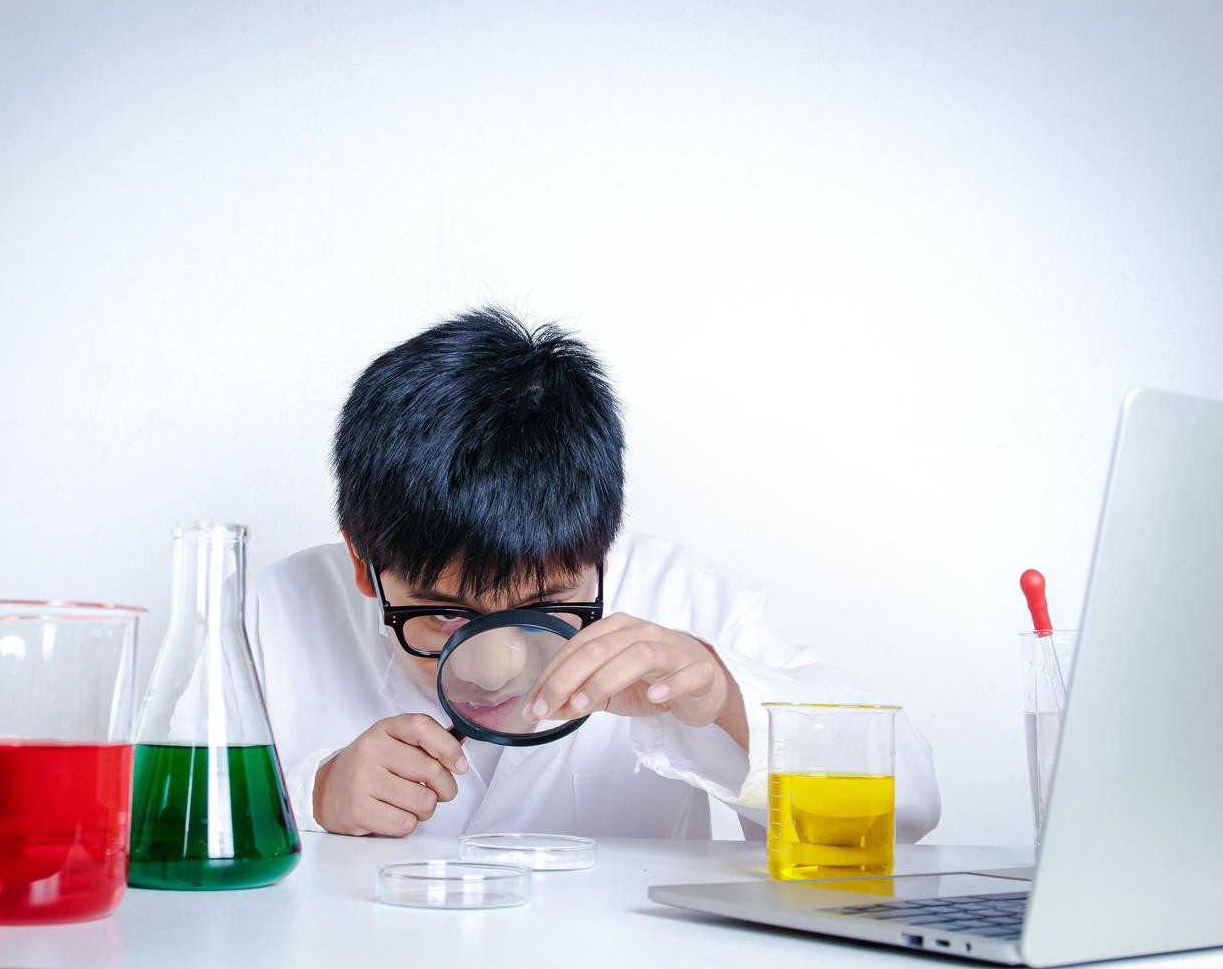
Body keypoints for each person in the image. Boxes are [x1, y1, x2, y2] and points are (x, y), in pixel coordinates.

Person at [256, 308, 940, 839]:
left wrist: (725, 698)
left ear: (604, 554)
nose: (493, 672)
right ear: (363, 564)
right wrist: (307, 796)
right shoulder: (270, 615)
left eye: (547, 606)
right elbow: (155, 830)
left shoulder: (685, 596)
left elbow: (906, 811)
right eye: (444, 613)